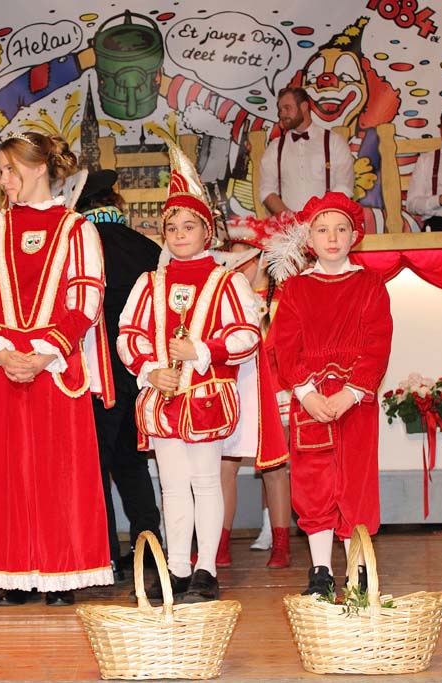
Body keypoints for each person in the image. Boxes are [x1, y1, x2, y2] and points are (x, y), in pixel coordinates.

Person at [118, 144, 286, 603]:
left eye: (188, 226)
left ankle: (206, 568)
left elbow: (247, 335)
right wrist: (151, 371)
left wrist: (202, 350)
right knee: (171, 486)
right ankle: (176, 567)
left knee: (207, 481)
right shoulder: (149, 283)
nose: (179, 234)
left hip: (207, 400)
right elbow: (128, 335)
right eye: (171, 227)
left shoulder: (227, 280)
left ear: (206, 231)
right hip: (164, 401)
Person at [0, 131, 114, 607]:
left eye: (11, 169)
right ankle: (14, 574)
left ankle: (63, 574)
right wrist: (3, 351)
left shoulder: (77, 228)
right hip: (4, 364)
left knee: (59, 473)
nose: (4, 180)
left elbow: (86, 297)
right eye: (0, 172)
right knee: (7, 473)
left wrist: (46, 353)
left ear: (41, 166)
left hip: (56, 367)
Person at [266, 192, 393, 599]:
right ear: (309, 239)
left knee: (356, 482)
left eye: (341, 229)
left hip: (355, 402)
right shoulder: (296, 289)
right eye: (322, 230)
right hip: (312, 401)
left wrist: (353, 392)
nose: (332, 238)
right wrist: (305, 393)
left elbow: (377, 343)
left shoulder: (371, 285)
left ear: (355, 236)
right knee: (313, 481)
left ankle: (357, 569)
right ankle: (320, 571)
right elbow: (284, 345)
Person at [75, 169, 163, 579]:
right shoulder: (147, 247)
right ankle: (150, 549)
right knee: (132, 462)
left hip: (95, 374)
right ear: (115, 203)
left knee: (95, 464)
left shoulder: (79, 249)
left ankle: (104, 553)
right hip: (138, 368)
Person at [217, 214, 296, 569]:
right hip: (236, 391)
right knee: (224, 466)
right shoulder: (225, 298)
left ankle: (281, 543)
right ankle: (218, 545)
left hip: (274, 391)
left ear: (262, 257)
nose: (235, 266)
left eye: (243, 258)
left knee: (274, 467)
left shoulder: (284, 298)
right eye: (230, 258)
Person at [259, 88, 355, 215]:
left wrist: (320, 217)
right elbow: (267, 190)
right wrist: (291, 219)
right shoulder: (275, 148)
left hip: (326, 222)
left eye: (287, 108)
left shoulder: (334, 141)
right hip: (288, 225)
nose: (282, 114)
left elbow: (344, 187)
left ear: (304, 106)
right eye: (280, 110)